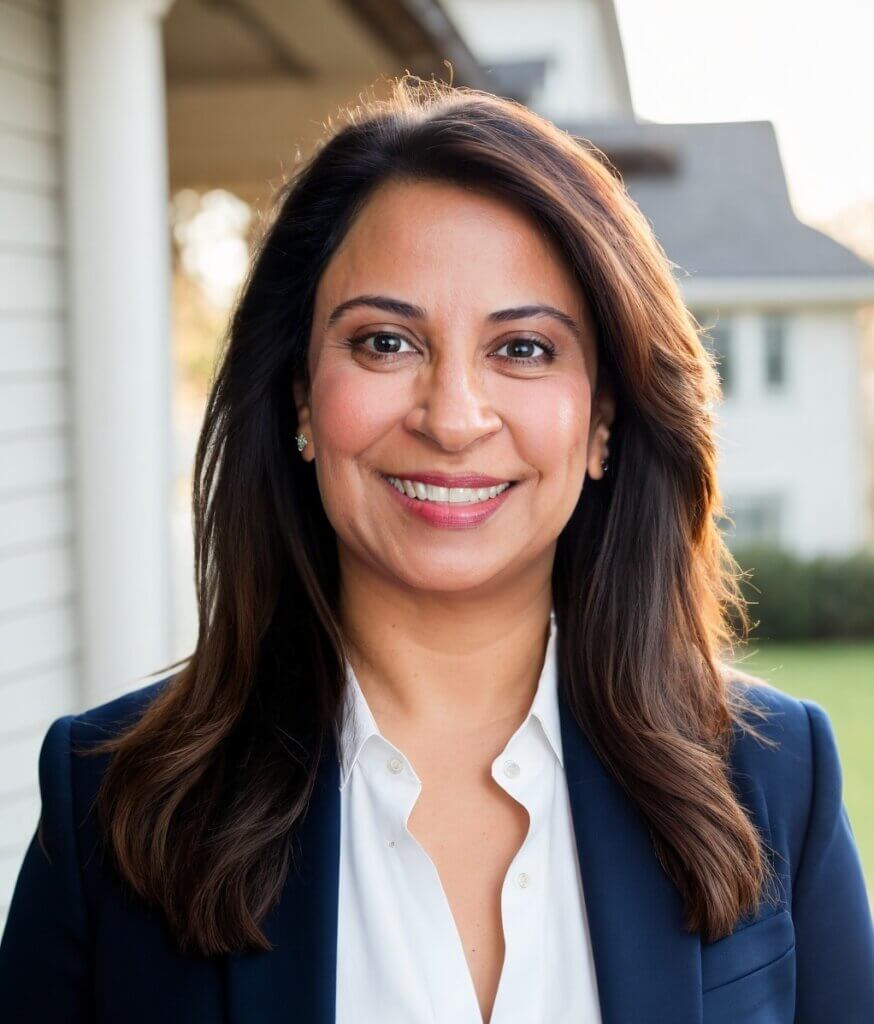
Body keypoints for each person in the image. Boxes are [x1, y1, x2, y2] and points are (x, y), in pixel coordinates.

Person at [0, 75, 872, 1024]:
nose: (454, 419)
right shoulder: (112, 804)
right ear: (300, 397)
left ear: (603, 420)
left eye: (525, 350)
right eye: (384, 342)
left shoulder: (776, 777)